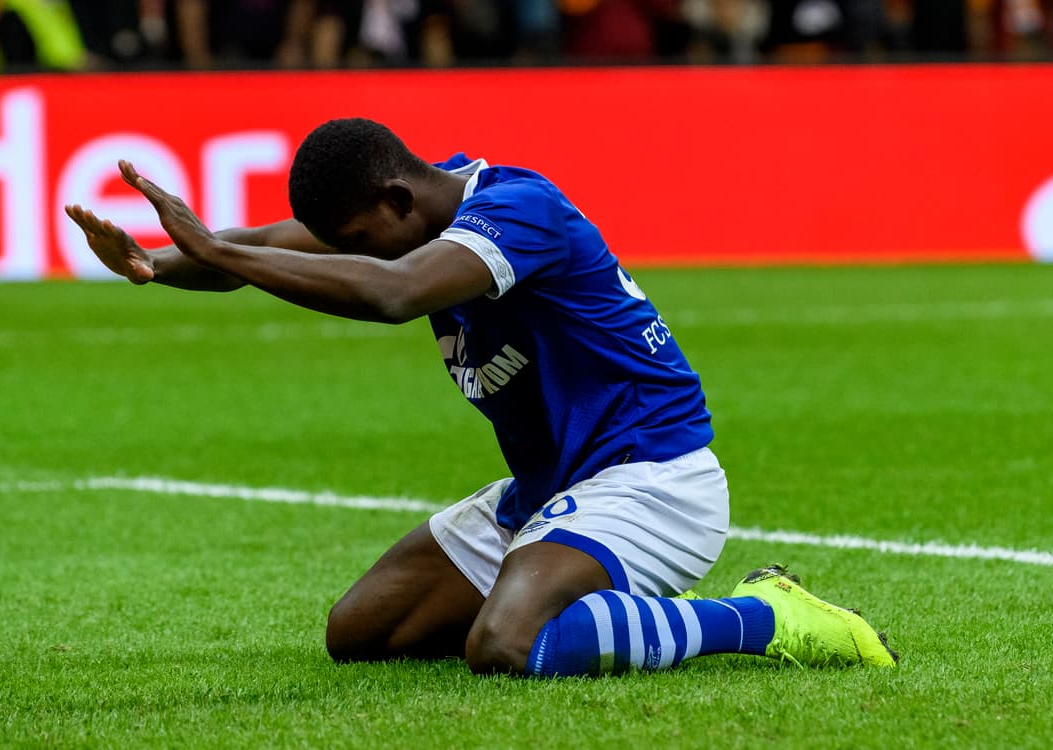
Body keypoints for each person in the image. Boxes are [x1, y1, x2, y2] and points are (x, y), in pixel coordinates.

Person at [64, 118, 898, 676]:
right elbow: (256, 252)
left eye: (357, 241)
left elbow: (393, 293)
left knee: (506, 644)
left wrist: (217, 249)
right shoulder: (403, 216)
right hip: (551, 490)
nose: (352, 255)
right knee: (361, 635)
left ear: (398, 201)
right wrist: (154, 263)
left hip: (653, 477)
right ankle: (593, 590)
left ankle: (761, 615)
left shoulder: (519, 210)